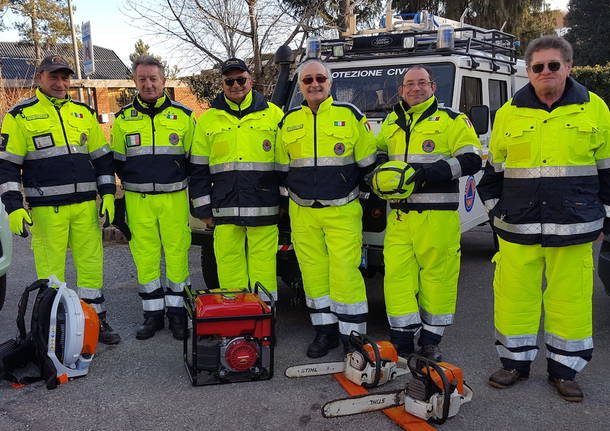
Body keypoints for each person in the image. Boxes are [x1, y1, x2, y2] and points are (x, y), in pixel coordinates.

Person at [477, 35, 610, 402]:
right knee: (513, 299)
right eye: (538, 67)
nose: (546, 71)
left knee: (571, 301)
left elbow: (609, 173)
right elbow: (493, 176)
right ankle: (514, 365)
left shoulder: (595, 109)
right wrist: (495, 216)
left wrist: (605, 223)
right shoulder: (508, 113)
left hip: (576, 230)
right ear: (528, 71)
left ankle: (565, 371)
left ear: (568, 67)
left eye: (554, 65)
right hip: (516, 229)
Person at [0, 54, 120, 344]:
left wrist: (107, 193)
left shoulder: (83, 112)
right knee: (51, 272)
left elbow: (102, 159)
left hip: (84, 208)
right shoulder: (20, 115)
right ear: (40, 77)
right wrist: (14, 206)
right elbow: (6, 166)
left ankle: (94, 321)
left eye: (65, 77)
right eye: (54, 76)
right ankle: (56, 329)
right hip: (46, 210)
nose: (60, 82)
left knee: (91, 266)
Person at [376, 65, 482, 361]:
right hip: (399, 218)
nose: (415, 88)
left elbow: (473, 159)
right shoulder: (391, 121)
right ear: (401, 90)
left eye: (422, 83)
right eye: (409, 84)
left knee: (438, 278)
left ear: (432, 87)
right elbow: (380, 152)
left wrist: (425, 173)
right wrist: (380, 169)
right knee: (397, 277)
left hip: (438, 217)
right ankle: (402, 340)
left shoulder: (452, 120)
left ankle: (431, 340)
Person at [276, 59, 377, 358]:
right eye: (307, 80)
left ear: (330, 83)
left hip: (342, 209)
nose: (314, 84)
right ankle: (325, 332)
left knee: (345, 272)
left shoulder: (351, 116)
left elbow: (368, 165)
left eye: (320, 78)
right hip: (303, 211)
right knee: (313, 273)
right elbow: (282, 169)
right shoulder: (289, 120)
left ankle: (353, 336)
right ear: (301, 86)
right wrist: (287, 201)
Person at [111, 55, 196, 340]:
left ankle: (177, 314)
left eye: (153, 79)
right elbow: (117, 162)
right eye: (142, 79)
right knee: (145, 259)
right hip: (138, 201)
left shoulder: (184, 116)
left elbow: (194, 161)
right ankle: (152, 315)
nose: (148, 84)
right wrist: (118, 200)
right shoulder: (123, 119)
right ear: (135, 82)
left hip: (174, 199)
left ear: (163, 80)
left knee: (177, 258)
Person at [189, 58, 284, 300]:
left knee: (263, 270)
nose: (236, 85)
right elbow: (198, 168)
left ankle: (264, 323)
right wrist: (202, 210)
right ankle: (237, 322)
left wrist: (284, 205)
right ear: (222, 84)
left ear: (250, 80)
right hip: (224, 209)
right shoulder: (208, 120)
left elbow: (286, 165)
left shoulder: (274, 115)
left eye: (241, 79)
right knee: (229, 268)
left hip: (264, 207)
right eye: (229, 81)